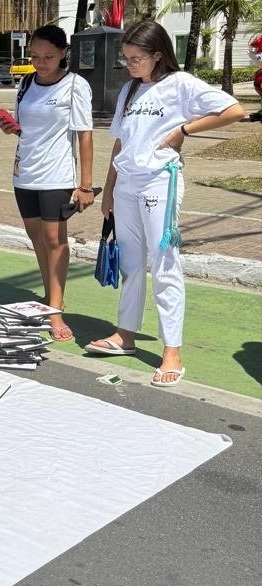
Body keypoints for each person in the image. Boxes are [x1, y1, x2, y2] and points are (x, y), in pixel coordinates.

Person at [86, 19, 244, 387]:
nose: (130, 65)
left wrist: (184, 130)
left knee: (164, 264)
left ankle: (172, 350)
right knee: (131, 263)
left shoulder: (181, 85)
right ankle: (125, 333)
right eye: (125, 59)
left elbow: (232, 110)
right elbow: (120, 142)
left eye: (136, 58)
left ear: (158, 55)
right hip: (125, 185)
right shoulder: (129, 90)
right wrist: (108, 190)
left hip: (160, 181)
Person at [0, 24, 95, 341]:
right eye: (36, 56)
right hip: (24, 172)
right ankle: (51, 294)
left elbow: (84, 136)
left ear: (63, 53)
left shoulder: (74, 86)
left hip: (57, 175)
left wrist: (85, 185)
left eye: (48, 56)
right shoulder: (26, 83)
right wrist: (11, 128)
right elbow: (25, 126)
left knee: (55, 239)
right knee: (36, 236)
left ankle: (55, 310)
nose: (41, 62)